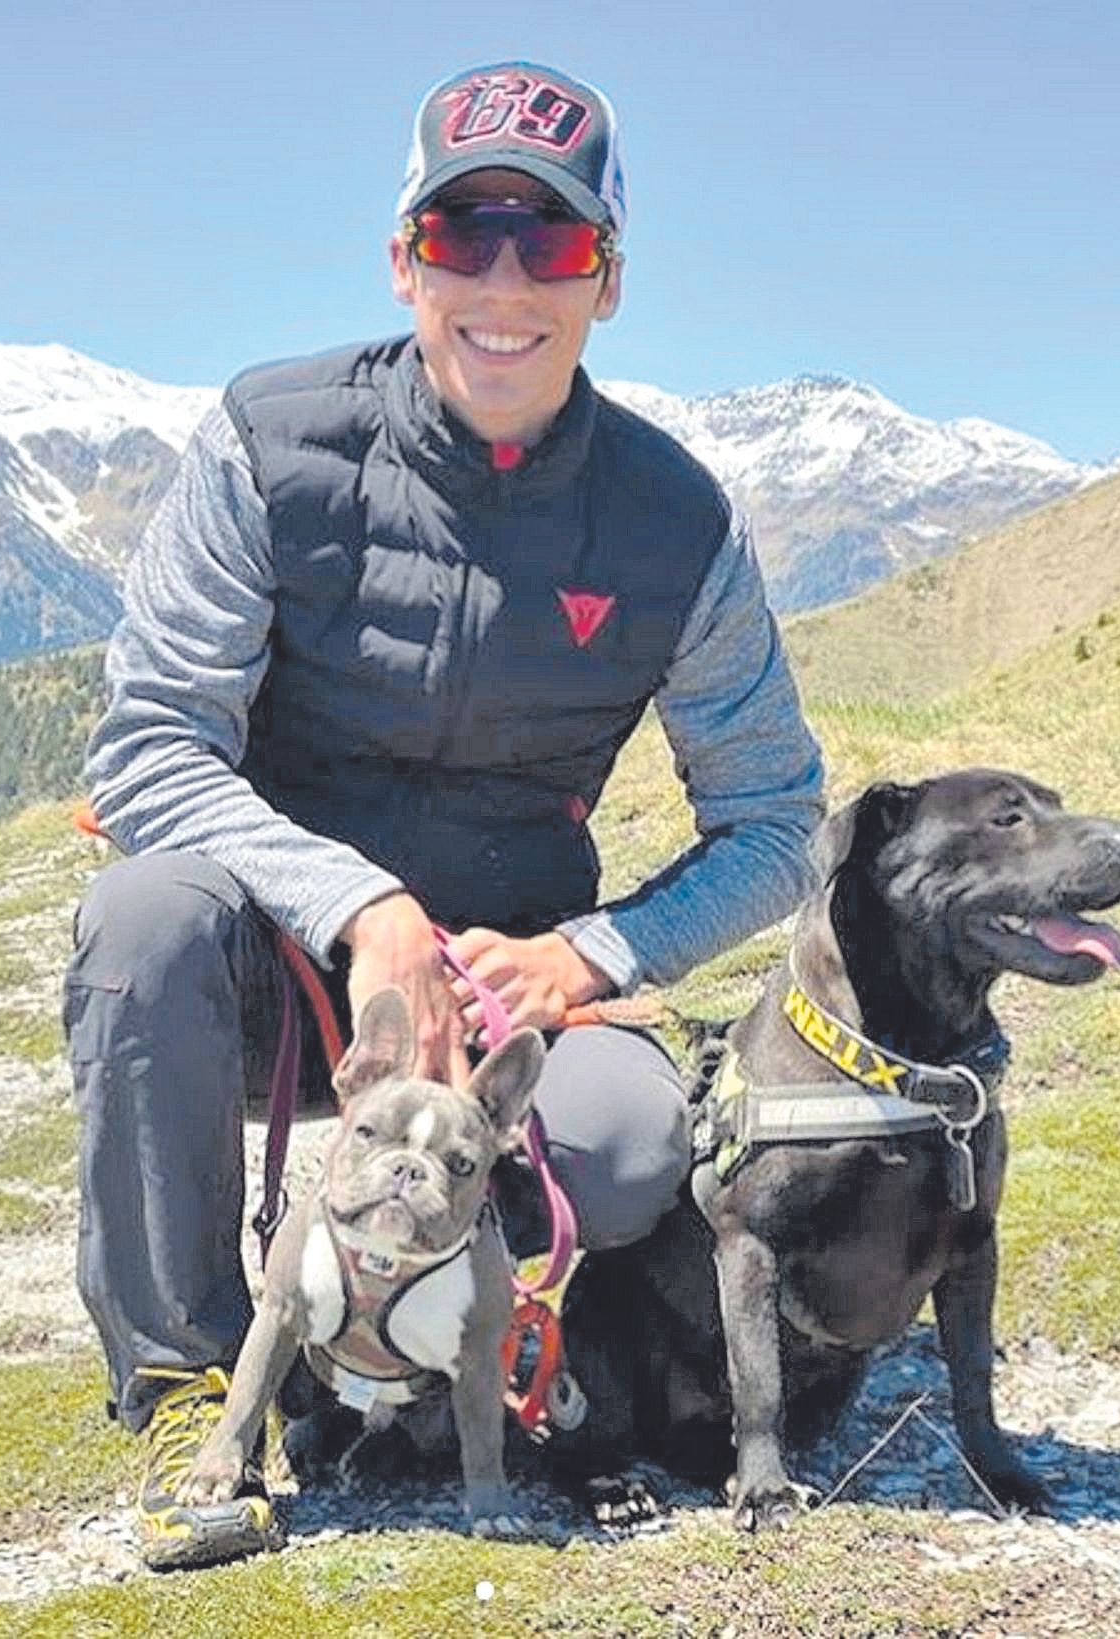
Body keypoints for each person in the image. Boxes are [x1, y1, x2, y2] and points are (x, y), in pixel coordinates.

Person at [65, 59, 824, 1569]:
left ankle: (436, 1345)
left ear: (604, 280)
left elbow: (779, 822)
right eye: (457, 232)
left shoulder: (678, 524)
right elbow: (150, 746)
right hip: (274, 956)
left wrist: (595, 957)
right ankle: (189, 1379)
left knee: (614, 1148)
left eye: (547, 243)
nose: (500, 281)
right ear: (400, 259)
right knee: (137, 925)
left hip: (507, 981)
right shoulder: (268, 445)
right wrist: (355, 908)